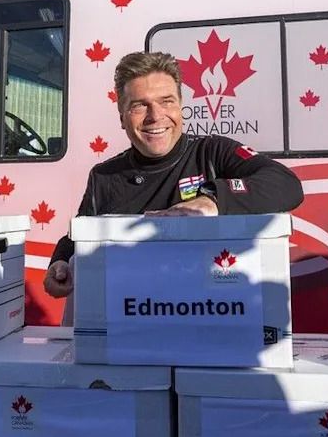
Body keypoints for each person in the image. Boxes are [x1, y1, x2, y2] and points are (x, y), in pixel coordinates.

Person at [44, 50, 303, 301]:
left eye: (167, 102)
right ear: (122, 117)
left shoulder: (213, 153)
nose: (155, 116)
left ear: (180, 107)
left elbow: (286, 184)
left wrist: (212, 200)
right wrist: (59, 262)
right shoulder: (105, 175)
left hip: (209, 311)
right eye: (139, 106)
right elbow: (80, 234)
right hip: (134, 314)